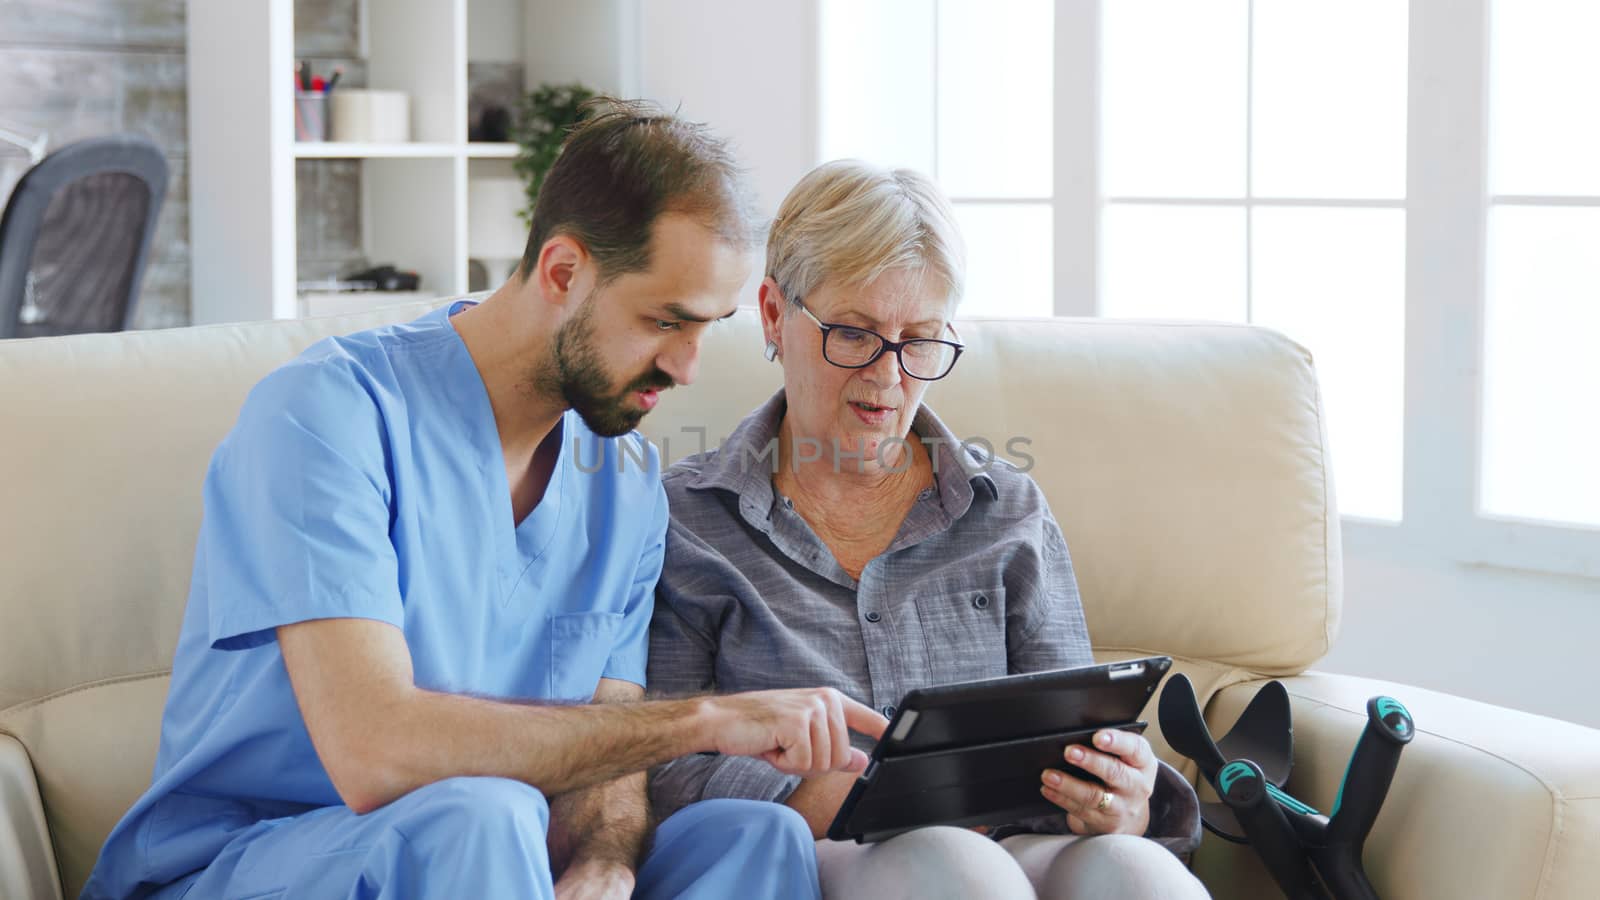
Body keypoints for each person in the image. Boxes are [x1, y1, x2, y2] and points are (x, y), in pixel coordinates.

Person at [82, 102, 888, 900]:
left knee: (755, 836)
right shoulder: (327, 416)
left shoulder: (627, 486)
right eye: (664, 322)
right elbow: (376, 754)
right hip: (252, 865)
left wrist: (605, 859)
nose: (686, 368)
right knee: (480, 814)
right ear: (563, 272)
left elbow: (607, 751)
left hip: (501, 865)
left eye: (708, 327)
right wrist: (707, 722)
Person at [647, 160, 1209, 899]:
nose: (888, 377)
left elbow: (1082, 727)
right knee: (952, 866)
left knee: (1136, 873)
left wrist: (1121, 795)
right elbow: (657, 762)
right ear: (776, 316)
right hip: (822, 853)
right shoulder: (689, 520)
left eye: (920, 341)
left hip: (1015, 846)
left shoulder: (1006, 510)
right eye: (854, 333)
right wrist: (819, 793)